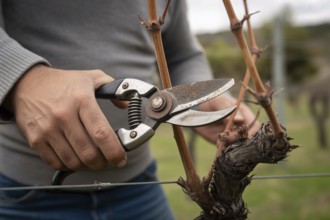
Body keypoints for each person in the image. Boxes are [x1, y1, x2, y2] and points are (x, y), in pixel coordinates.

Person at [0, 1, 259, 219]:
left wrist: (200, 100)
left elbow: (181, 55)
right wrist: (22, 79)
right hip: (21, 194)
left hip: (140, 186)